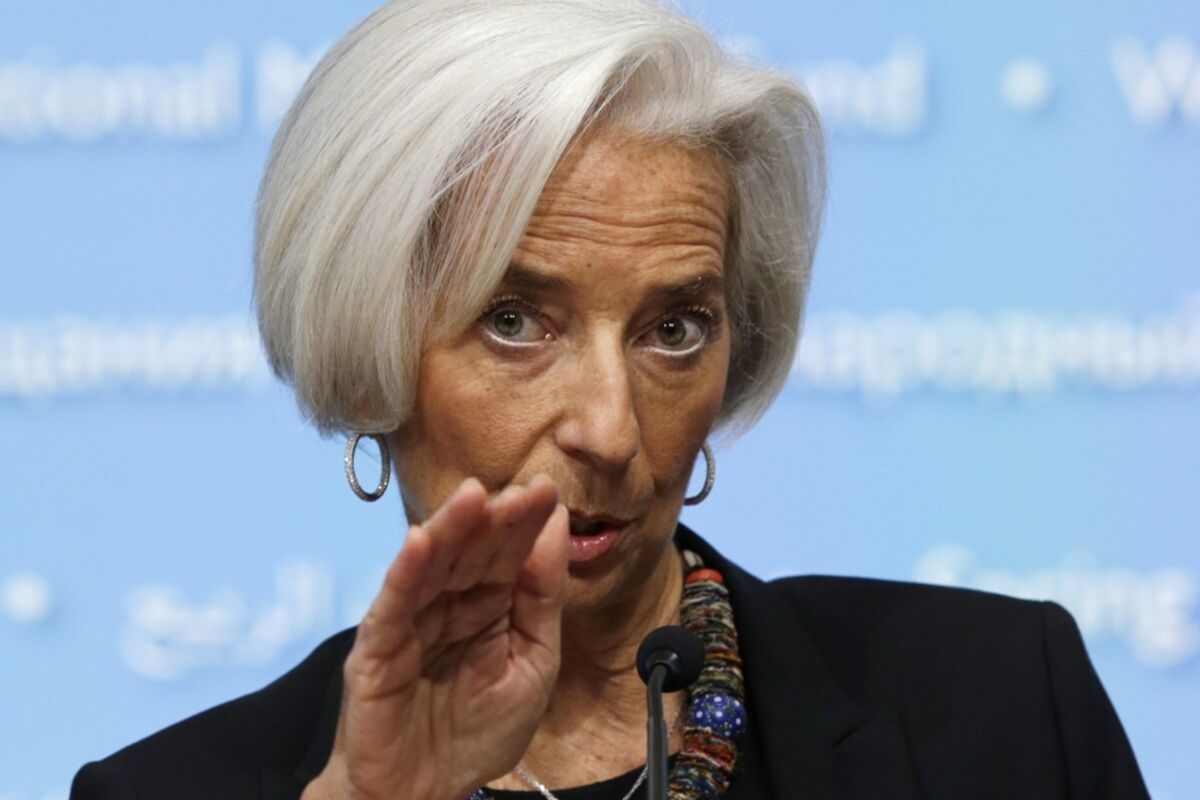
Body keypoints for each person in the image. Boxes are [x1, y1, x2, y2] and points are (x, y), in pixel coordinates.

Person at [70, 1, 1150, 798]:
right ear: (372, 354)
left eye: (673, 330)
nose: (611, 429)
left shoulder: (1006, 709)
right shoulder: (165, 790)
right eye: (515, 321)